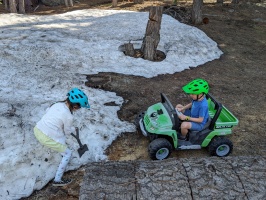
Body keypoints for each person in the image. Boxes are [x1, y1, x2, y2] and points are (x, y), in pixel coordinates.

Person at [33, 88, 90, 186]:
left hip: (37, 129)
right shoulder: (69, 116)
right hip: (46, 137)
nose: (79, 109)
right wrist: (73, 129)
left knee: (60, 138)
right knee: (68, 153)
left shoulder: (57, 104)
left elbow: (47, 111)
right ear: (75, 106)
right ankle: (57, 180)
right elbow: (67, 132)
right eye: (79, 107)